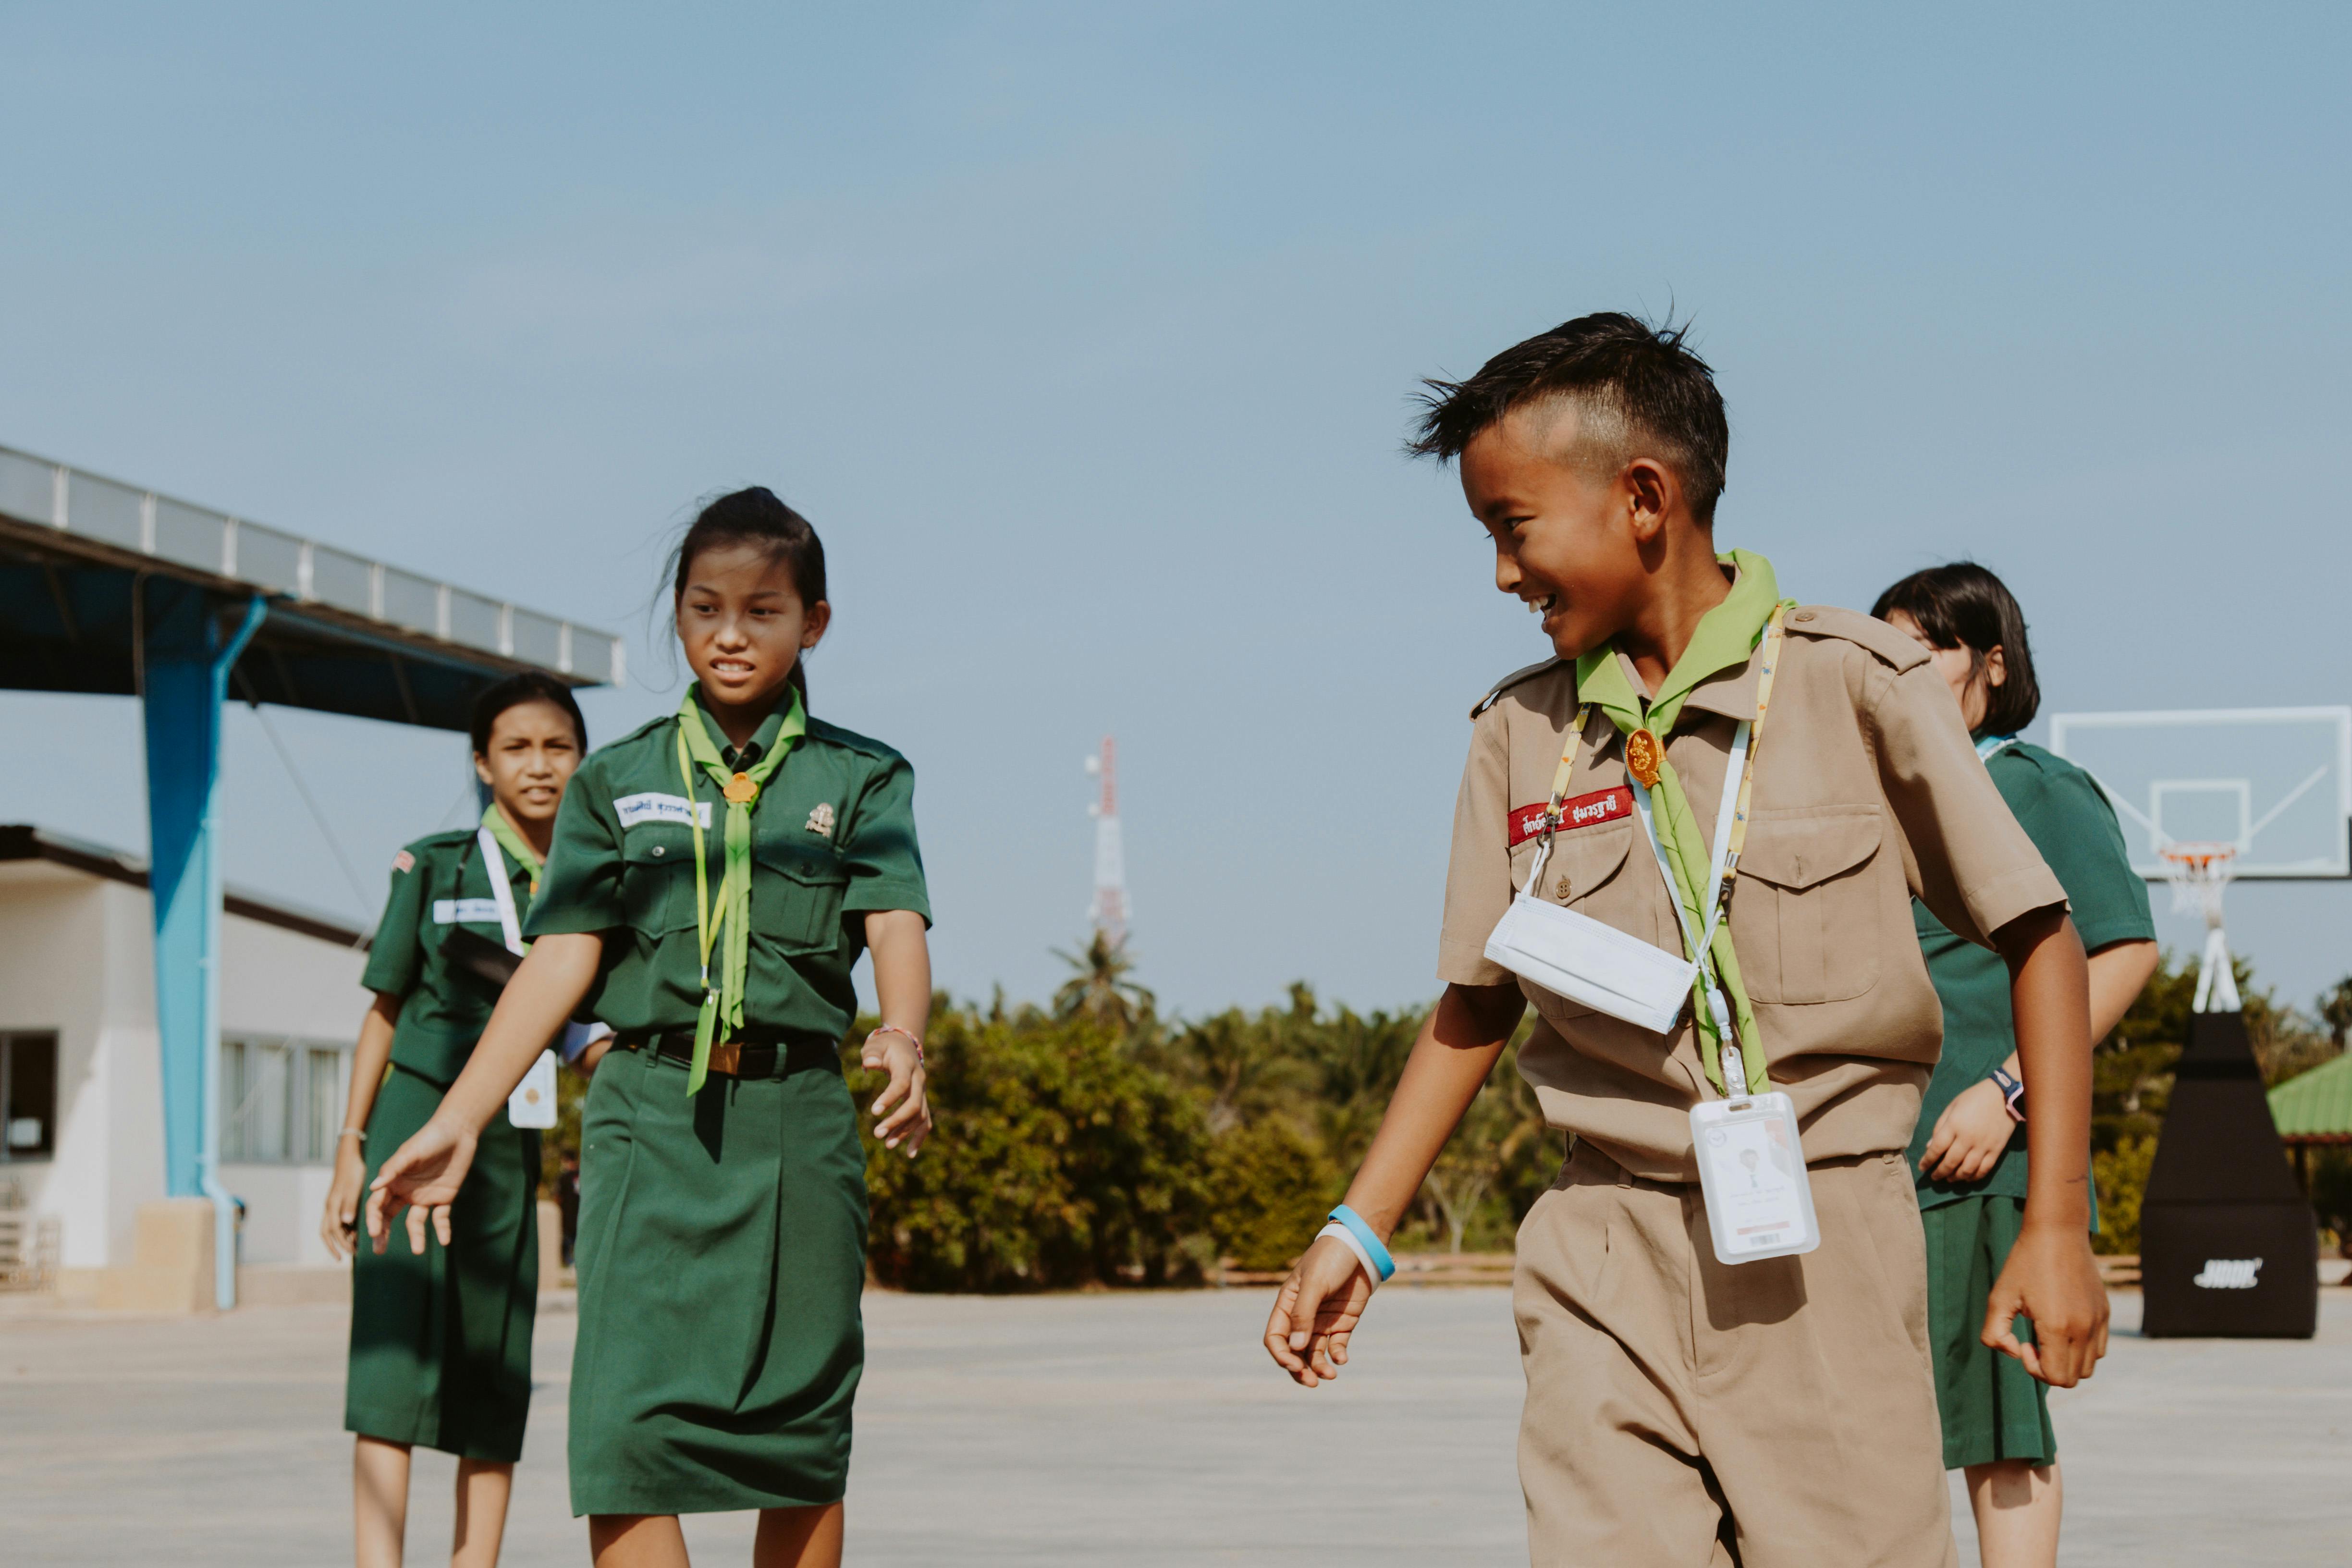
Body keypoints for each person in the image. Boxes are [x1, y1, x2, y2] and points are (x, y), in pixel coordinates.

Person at [1264, 313, 2111, 1568]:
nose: (1502, 573)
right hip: (1603, 1256)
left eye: (1514, 528)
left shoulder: (1852, 685)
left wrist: (2054, 1228)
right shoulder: (1519, 734)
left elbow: (2044, 938)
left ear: (1644, 499)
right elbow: (1476, 1003)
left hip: (1825, 1251)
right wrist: (1359, 1230)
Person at [367, 487, 933, 1568]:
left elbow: (895, 920)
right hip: (646, 1120)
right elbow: (562, 955)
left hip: (797, 1123)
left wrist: (902, 1034)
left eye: (763, 610)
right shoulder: (616, 782)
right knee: (625, 1427)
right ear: (676, 616)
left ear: (813, 621)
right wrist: (461, 1117)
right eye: (705, 607)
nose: (730, 634)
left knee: (799, 1434)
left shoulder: (860, 777)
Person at [1874, 563, 2158, 1568]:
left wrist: (2009, 1093)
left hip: (1984, 1170)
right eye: (1891, 649)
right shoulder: (1886, 805)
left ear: (1994, 664)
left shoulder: (2033, 787)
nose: (1910, 667)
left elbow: (2122, 951)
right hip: (1877, 1165)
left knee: (2001, 1438)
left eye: (1934, 645)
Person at [322, 671, 595, 1568]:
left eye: (558, 746)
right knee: (391, 1363)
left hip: (513, 1146)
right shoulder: (434, 863)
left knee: (494, 1366)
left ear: (583, 760)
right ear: (482, 764)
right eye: (516, 748)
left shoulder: (598, 882)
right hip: (410, 1125)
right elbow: (384, 1011)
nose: (540, 766)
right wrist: (350, 1147)